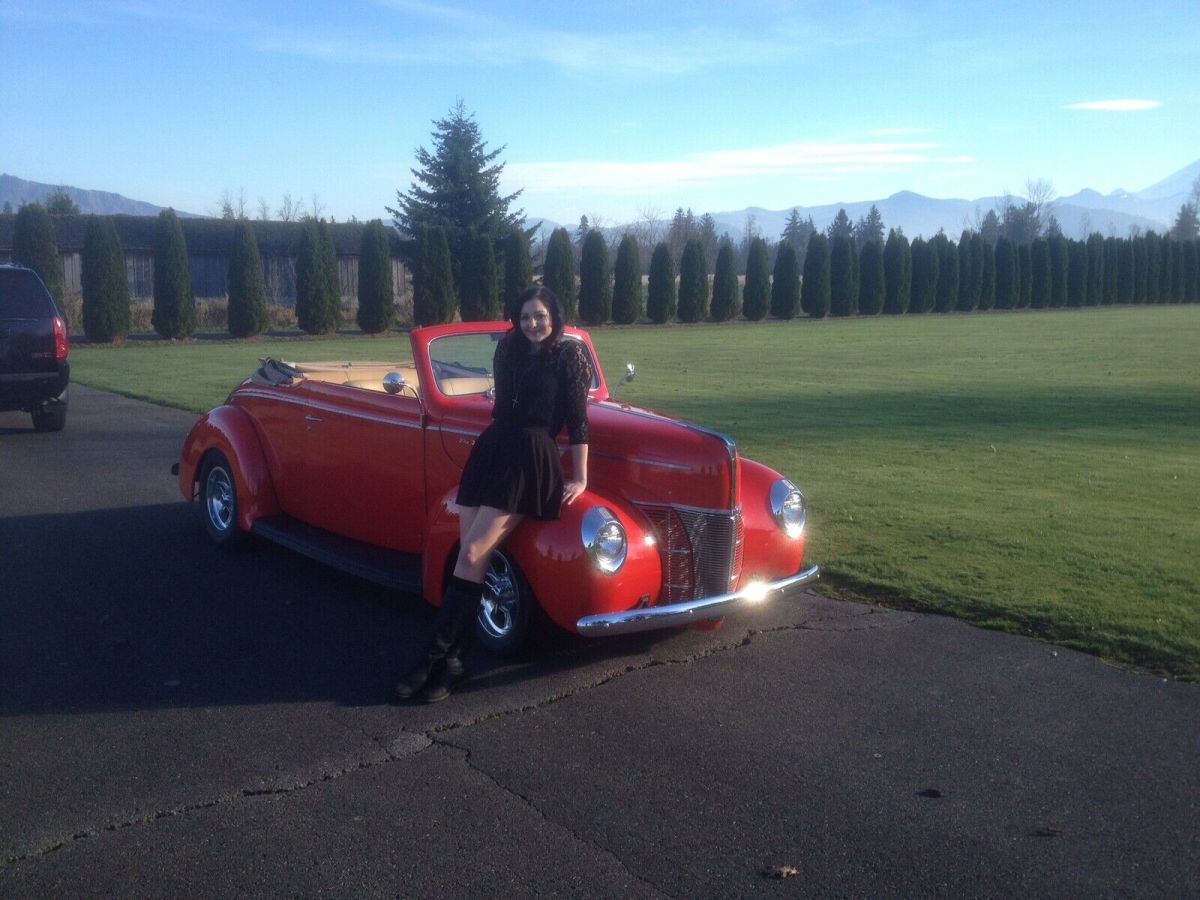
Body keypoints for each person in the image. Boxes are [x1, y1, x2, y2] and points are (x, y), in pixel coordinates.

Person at [395, 286, 591, 702]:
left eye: (540, 316)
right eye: (525, 317)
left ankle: (430, 659)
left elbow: (578, 421)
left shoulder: (569, 355)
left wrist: (580, 478)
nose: (532, 324)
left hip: (531, 457)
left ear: (554, 316)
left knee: (471, 554)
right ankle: (453, 665)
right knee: (468, 558)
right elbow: (503, 407)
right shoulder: (507, 350)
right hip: (494, 449)